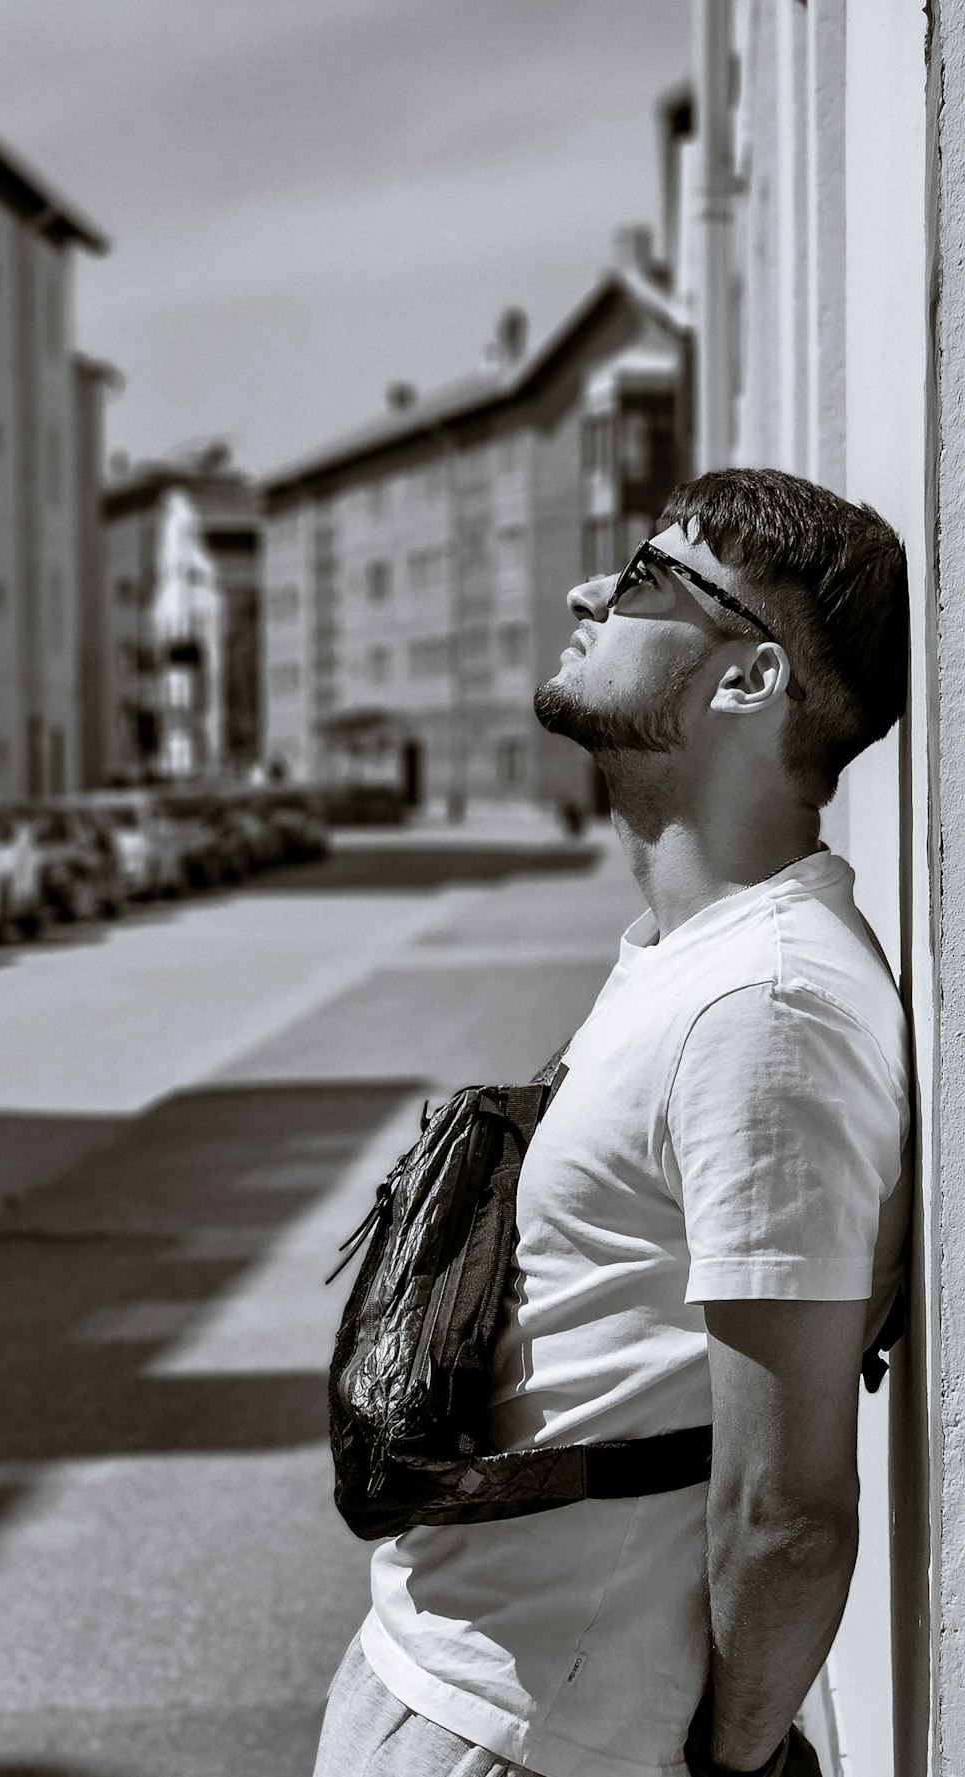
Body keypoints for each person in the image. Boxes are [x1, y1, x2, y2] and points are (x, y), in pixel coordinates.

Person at [313, 467, 911, 1777]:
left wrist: (736, 1763)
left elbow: (789, 1509)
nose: (589, 590)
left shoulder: (771, 1008)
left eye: (645, 580)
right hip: (454, 1683)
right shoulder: (688, 952)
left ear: (748, 682)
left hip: (531, 1741)